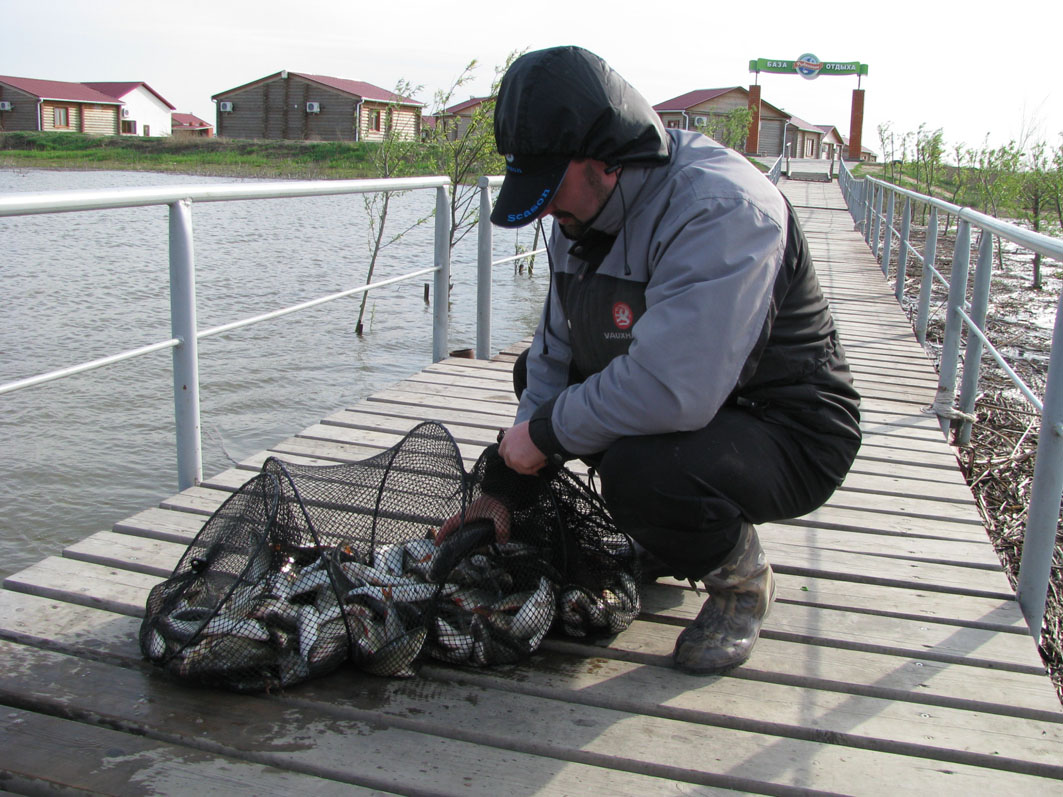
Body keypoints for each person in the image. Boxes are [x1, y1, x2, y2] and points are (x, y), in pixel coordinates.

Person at [441, 45, 862, 674]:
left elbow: (674, 391)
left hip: (788, 426)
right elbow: (554, 354)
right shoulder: (577, 216)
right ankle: (667, 538)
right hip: (694, 403)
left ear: (605, 160)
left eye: (551, 184)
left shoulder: (721, 208)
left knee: (644, 469)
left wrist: (547, 433)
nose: (547, 207)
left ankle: (741, 584)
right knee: (535, 377)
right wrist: (508, 476)